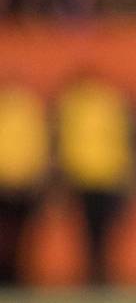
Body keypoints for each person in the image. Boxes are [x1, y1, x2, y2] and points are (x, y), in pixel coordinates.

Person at [56, 73, 136, 286]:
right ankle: (93, 272)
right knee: (90, 230)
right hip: (89, 176)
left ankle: (101, 272)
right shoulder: (79, 105)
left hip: (105, 175)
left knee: (104, 230)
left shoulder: (100, 103)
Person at [0, 82, 50, 286]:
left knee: (21, 235)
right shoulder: (30, 111)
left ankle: (16, 274)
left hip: (22, 181)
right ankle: (9, 273)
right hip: (14, 180)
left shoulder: (30, 111)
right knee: (11, 234)